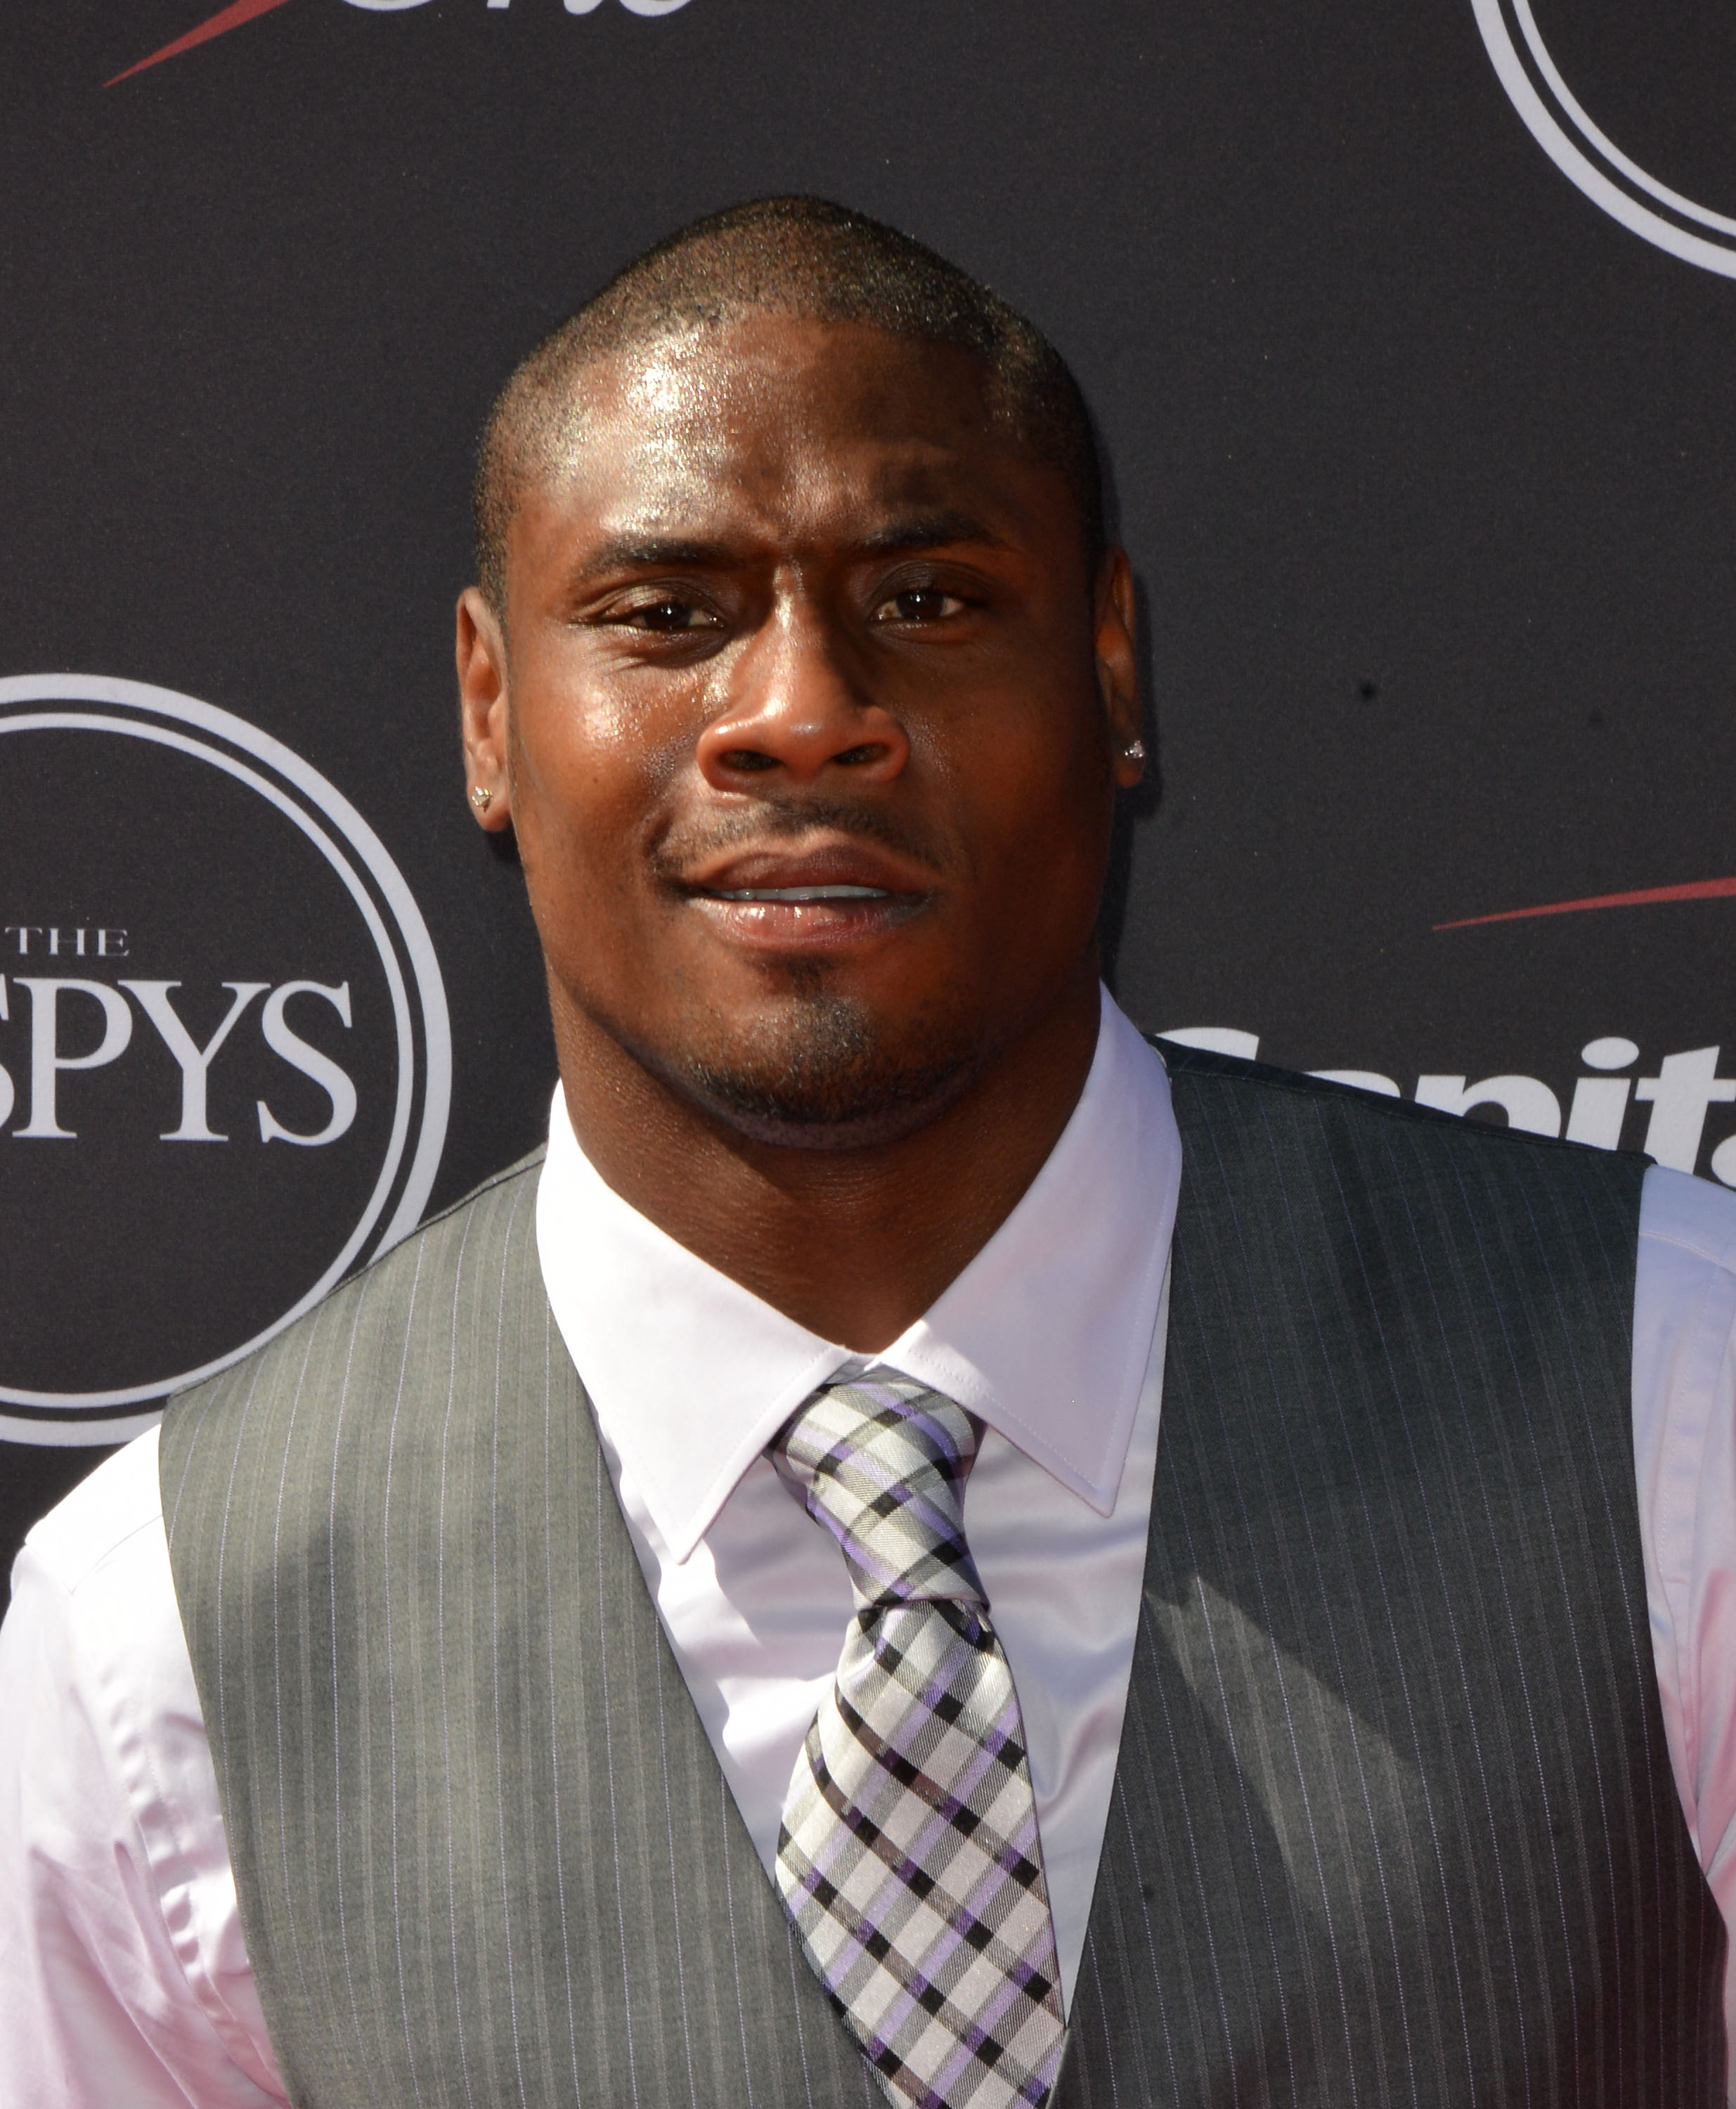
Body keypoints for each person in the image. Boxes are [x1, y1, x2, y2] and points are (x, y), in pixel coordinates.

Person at [3, 195, 1735, 2109]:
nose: (803, 713)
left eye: (924, 602)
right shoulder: (166, 1625)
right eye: (669, 614)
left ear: (1114, 663)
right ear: (492, 714)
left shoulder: (1669, 1395)